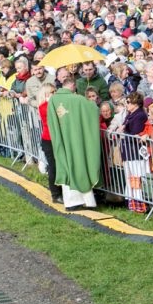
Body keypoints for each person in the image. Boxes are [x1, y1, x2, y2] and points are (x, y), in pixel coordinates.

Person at [47, 77, 100, 210]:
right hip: (77, 139)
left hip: (61, 138)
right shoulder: (78, 99)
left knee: (66, 165)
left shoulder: (53, 99)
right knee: (81, 165)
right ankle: (87, 201)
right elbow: (93, 109)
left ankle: (71, 202)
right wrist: (91, 103)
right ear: (72, 86)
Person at [38, 83, 62, 203]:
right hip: (49, 140)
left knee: (58, 166)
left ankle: (60, 191)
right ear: (46, 94)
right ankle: (55, 194)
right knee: (53, 167)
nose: (55, 94)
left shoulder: (52, 105)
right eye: (53, 92)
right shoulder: (44, 107)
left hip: (55, 139)